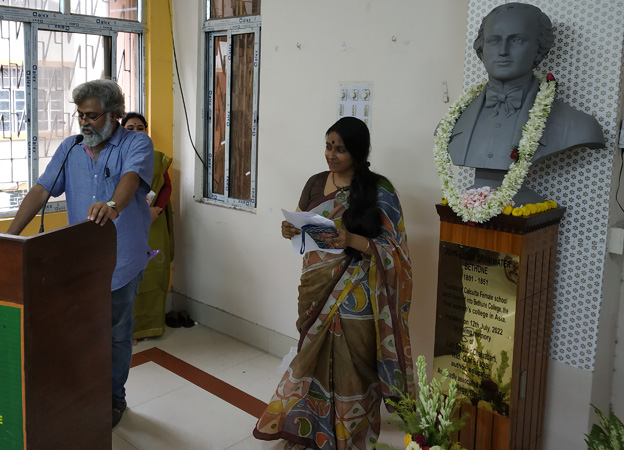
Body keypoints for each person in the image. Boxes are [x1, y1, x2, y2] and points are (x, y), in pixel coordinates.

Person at [253, 117, 414, 450]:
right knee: (312, 360)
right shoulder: (315, 183)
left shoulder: (379, 189)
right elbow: (300, 223)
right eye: (328, 146)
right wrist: (288, 229)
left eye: (340, 149)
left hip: (359, 292)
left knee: (353, 367)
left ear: (358, 152)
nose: (331, 154)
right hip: (316, 286)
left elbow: (395, 250)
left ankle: (349, 437)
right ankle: (311, 430)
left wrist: (350, 239)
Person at [5, 80, 154, 428]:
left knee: (116, 334)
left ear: (114, 114)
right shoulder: (70, 148)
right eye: (80, 115)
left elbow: (132, 178)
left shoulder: (136, 143)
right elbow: (42, 189)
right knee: (81, 331)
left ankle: (114, 398)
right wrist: (9, 236)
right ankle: (86, 392)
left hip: (123, 260)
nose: (84, 122)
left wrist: (112, 204)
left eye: (92, 116)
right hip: (81, 263)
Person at [446, 2, 604, 203]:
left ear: (539, 50)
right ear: (482, 50)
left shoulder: (579, 126)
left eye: (517, 40)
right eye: (494, 40)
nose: (503, 51)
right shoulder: (453, 120)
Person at [121, 112, 174, 339]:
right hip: (128, 224)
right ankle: (127, 331)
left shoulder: (157, 157)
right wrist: (143, 212)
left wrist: (157, 209)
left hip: (154, 223)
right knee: (129, 275)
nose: (136, 132)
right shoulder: (115, 157)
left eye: (140, 128)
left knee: (153, 274)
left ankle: (152, 325)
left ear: (146, 130)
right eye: (129, 128)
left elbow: (167, 187)